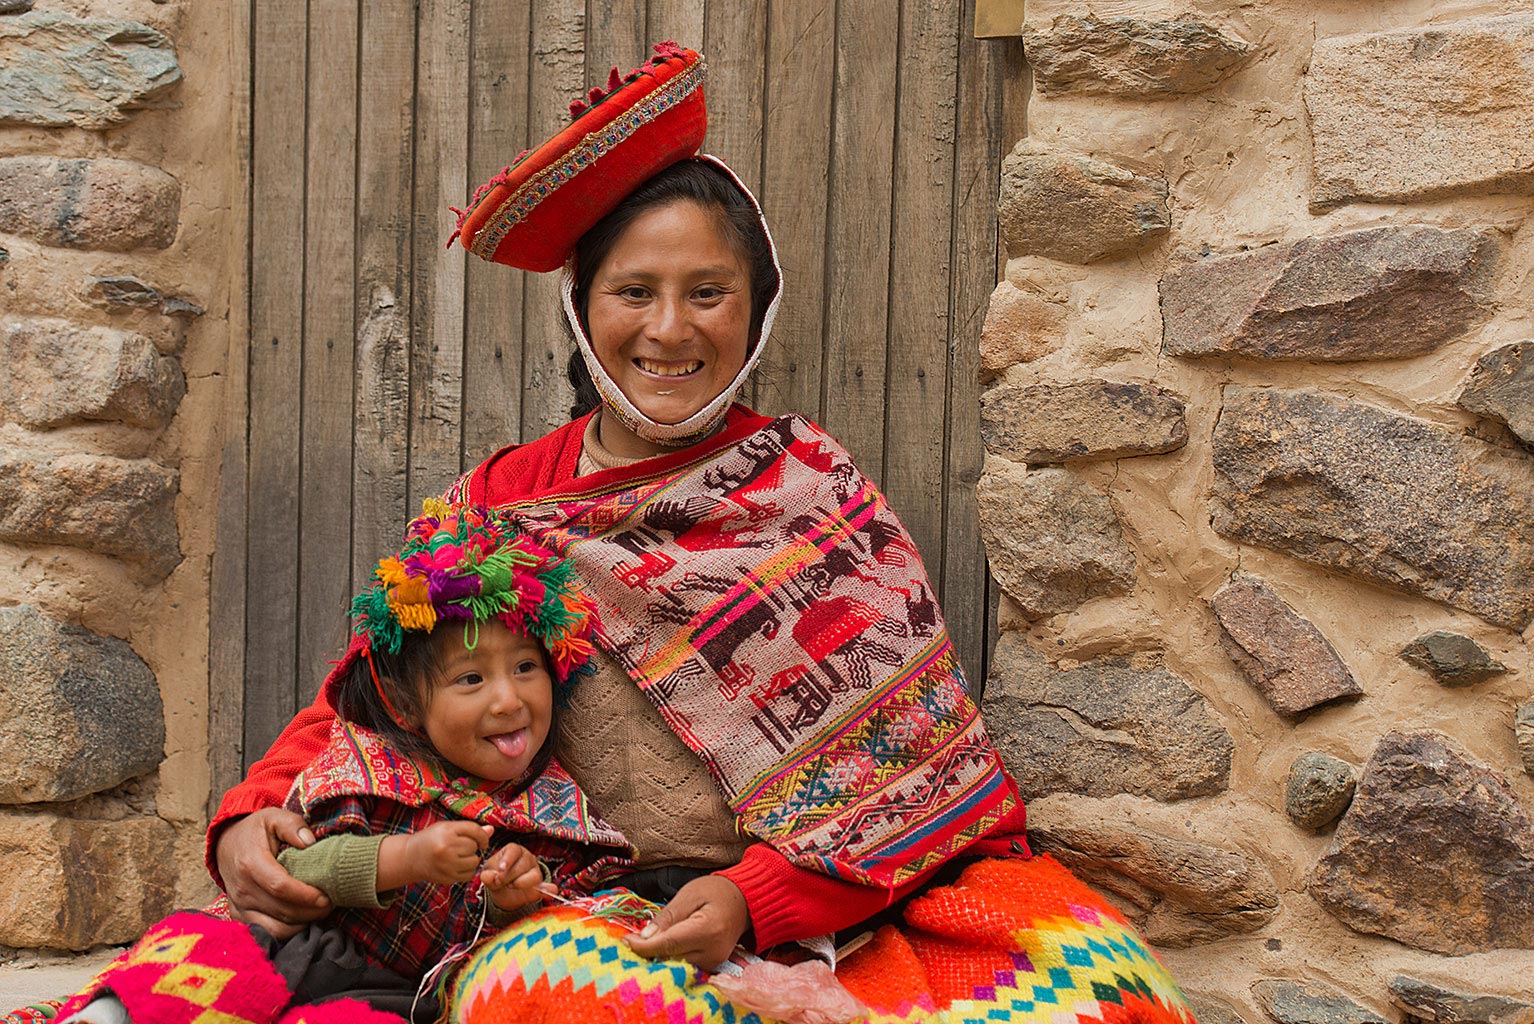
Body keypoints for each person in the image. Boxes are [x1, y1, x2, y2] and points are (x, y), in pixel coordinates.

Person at [209, 43, 1200, 1023]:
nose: (670, 330)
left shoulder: (813, 488)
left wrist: (753, 897)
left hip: (850, 892)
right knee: (561, 1001)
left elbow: (914, 778)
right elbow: (372, 692)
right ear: (581, 310)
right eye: (633, 292)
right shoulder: (501, 503)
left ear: (756, 307)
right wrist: (249, 814)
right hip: (586, 901)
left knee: (1108, 992)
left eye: (708, 292)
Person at [52, 505, 633, 1024]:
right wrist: (409, 857)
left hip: (409, 994)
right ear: (406, 708)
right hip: (307, 946)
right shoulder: (368, 767)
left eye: (526, 668)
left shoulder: (557, 808)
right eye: (472, 679)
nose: (508, 700)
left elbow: (565, 908)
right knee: (209, 956)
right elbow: (304, 867)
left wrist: (521, 894)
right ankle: (115, 1014)